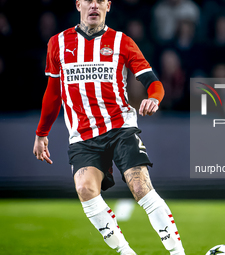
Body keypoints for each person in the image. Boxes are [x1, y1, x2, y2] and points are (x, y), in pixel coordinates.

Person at [32, 1, 185, 255]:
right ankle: (127, 253)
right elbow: (53, 93)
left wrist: (154, 98)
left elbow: (154, 83)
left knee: (140, 187)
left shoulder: (122, 42)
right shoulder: (57, 43)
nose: (94, 5)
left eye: (100, 0)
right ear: (78, 4)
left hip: (120, 128)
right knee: (85, 189)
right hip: (82, 135)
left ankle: (178, 253)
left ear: (108, 6)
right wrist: (41, 133)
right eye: (88, 0)